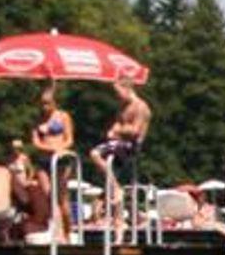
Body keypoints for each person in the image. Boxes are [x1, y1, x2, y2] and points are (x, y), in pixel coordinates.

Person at [89, 78, 151, 234]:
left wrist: (117, 130)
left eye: (118, 93)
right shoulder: (123, 107)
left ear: (127, 89)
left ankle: (116, 189)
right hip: (119, 145)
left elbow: (135, 131)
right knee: (109, 185)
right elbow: (115, 126)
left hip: (131, 146)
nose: (117, 96)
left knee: (95, 153)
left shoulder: (140, 107)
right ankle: (133, 214)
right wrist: (116, 130)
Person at [32, 85, 74, 166]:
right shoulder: (38, 120)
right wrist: (50, 148)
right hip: (44, 157)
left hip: (60, 156)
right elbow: (36, 142)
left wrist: (60, 147)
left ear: (54, 102)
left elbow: (70, 139)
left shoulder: (63, 116)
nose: (44, 107)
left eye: (47, 103)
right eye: (42, 104)